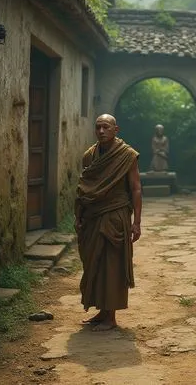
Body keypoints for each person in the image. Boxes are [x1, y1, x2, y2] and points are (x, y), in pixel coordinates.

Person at [74, 114, 142, 331]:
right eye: (98, 127)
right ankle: (102, 311)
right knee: (93, 263)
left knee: (112, 267)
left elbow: (136, 188)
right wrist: (79, 216)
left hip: (115, 216)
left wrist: (137, 222)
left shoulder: (127, 156)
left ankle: (111, 317)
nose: (101, 131)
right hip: (92, 216)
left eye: (106, 127)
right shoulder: (89, 156)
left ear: (116, 129)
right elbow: (85, 186)